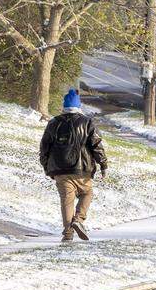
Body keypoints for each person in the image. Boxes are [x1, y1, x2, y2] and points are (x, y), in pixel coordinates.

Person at [39, 89, 108, 242]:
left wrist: (47, 168)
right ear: (78, 106)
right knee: (87, 193)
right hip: (82, 170)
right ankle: (79, 220)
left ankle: (68, 234)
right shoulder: (87, 122)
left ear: (64, 106)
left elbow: (44, 148)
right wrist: (103, 164)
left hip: (60, 170)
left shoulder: (53, 123)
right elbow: (96, 145)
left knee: (66, 200)